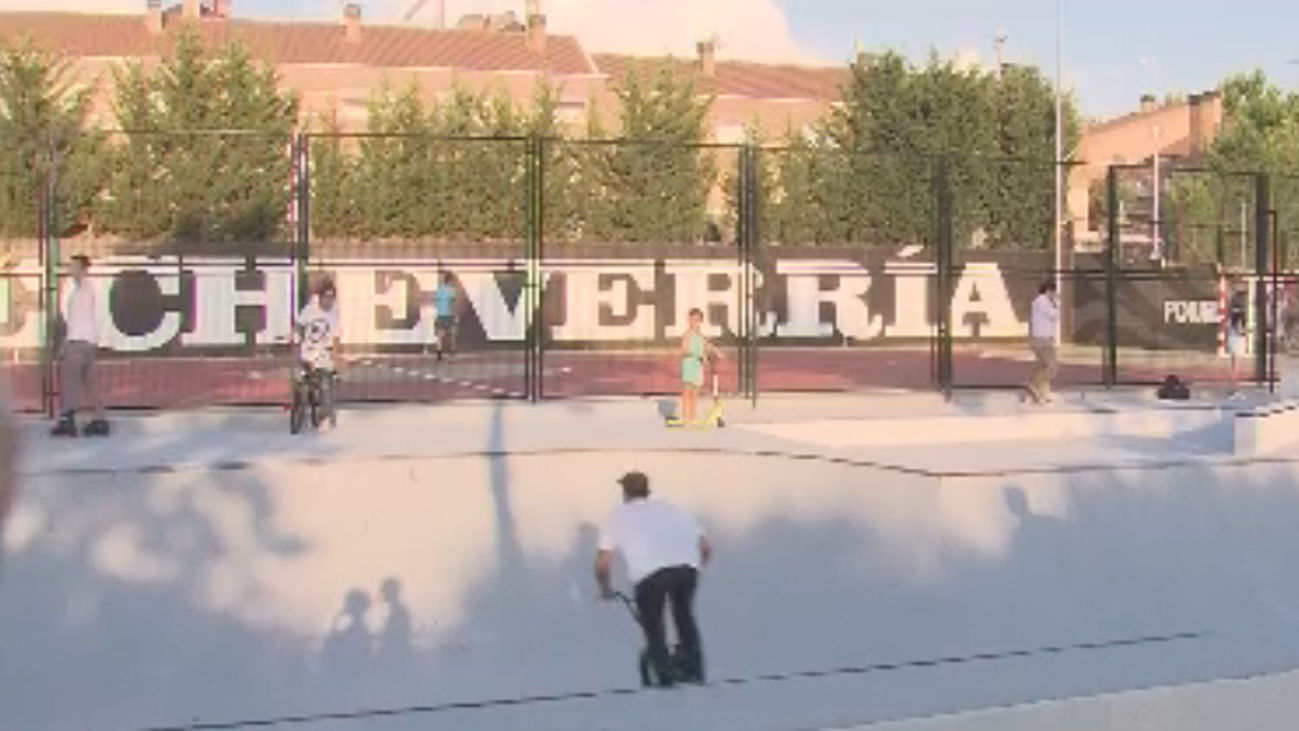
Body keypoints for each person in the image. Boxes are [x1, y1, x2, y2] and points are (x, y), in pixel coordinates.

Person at [595, 471, 711, 687]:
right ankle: (694, 669)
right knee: (684, 616)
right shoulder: (673, 507)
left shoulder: (618, 515)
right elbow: (705, 546)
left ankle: (664, 676)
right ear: (647, 490)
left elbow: (603, 561)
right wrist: (694, 570)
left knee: (653, 625)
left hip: (650, 574)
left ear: (626, 492)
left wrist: (605, 589)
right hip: (687, 568)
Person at [51, 255, 109, 437]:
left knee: (71, 382)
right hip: (88, 341)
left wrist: (67, 342)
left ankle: (68, 420)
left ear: (84, 269)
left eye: (75, 266)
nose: (71, 269)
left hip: (77, 341)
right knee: (90, 382)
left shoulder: (82, 289)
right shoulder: (86, 288)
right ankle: (100, 420)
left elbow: (76, 319)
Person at [296, 277, 342, 429]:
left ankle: (325, 414)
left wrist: (336, 355)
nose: (329, 301)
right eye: (326, 297)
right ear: (320, 297)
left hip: (324, 352)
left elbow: (336, 336)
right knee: (299, 378)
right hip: (308, 350)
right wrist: (293, 336)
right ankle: (299, 406)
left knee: (325, 385)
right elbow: (299, 326)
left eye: (331, 298)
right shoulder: (310, 310)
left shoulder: (335, 312)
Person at [678, 308, 720, 423]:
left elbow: (707, 346)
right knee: (688, 390)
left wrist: (715, 352)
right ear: (689, 320)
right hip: (689, 364)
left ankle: (693, 415)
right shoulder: (687, 335)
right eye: (692, 320)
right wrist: (698, 355)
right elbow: (684, 350)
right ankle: (686, 415)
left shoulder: (700, 336)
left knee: (695, 392)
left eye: (697, 320)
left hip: (697, 366)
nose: (694, 322)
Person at [1025, 279, 1059, 405]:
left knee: (1043, 366)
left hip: (1042, 338)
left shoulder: (1039, 302)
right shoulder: (1043, 301)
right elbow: (1054, 315)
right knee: (1052, 367)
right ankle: (1033, 385)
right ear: (1049, 291)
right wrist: (1056, 303)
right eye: (1054, 292)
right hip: (1042, 339)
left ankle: (1043, 394)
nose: (1055, 294)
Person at [1226, 285, 1248, 397]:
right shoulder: (1239, 316)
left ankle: (1234, 388)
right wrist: (1246, 332)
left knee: (1234, 365)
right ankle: (1235, 389)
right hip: (1237, 340)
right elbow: (1241, 330)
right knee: (1237, 366)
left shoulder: (1231, 315)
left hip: (1232, 338)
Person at [433, 272, 457, 362]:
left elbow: (436, 302)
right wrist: (454, 315)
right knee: (452, 333)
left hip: (440, 315)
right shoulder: (451, 290)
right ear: (450, 281)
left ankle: (439, 353)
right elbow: (452, 303)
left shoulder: (439, 290)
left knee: (440, 335)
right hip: (448, 315)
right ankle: (452, 351)